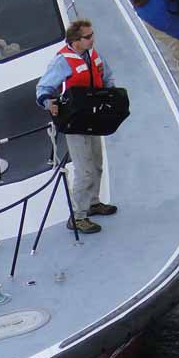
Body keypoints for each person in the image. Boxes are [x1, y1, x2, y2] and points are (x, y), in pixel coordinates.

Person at [36, 18, 118, 235]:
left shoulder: (93, 54)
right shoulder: (62, 61)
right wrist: (48, 102)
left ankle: (92, 202)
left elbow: (106, 77)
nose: (93, 39)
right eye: (88, 37)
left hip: (93, 117)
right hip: (75, 122)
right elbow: (44, 87)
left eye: (92, 35)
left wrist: (112, 97)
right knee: (85, 171)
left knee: (97, 164)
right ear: (76, 40)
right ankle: (77, 217)